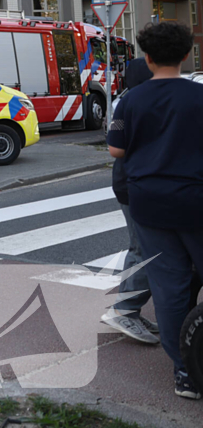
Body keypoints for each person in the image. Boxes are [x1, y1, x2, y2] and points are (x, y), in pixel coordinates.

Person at [107, 21, 203, 400]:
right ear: (187, 55)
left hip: (149, 203)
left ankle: (185, 372)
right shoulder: (200, 97)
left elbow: (116, 149)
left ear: (147, 58)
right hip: (196, 201)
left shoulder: (131, 99)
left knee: (169, 288)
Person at [102, 56, 160, 345]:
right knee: (146, 250)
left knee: (142, 247)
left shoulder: (123, 101)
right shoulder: (135, 104)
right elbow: (118, 147)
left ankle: (130, 309)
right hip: (134, 185)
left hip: (127, 183)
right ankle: (124, 310)